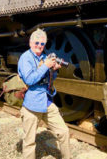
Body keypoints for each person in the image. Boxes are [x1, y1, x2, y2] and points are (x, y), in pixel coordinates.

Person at [18, 28, 71, 159]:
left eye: (42, 44)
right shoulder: (25, 58)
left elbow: (48, 81)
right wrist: (46, 66)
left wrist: (54, 71)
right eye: (36, 43)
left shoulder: (43, 57)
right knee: (29, 141)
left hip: (46, 102)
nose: (39, 46)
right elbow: (29, 79)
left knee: (64, 132)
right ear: (30, 43)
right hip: (31, 105)